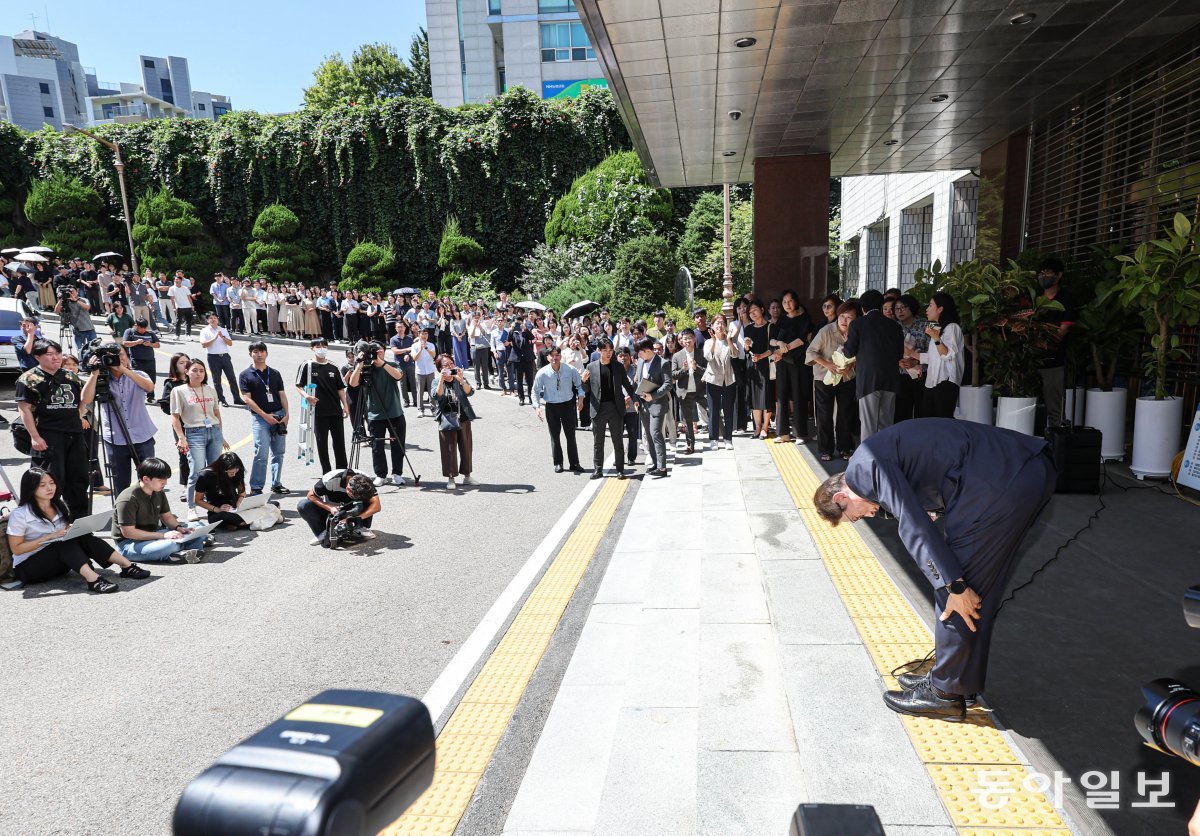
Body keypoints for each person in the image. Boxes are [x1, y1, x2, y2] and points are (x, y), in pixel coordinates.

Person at [813, 419, 1057, 721]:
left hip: (998, 484)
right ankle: (958, 680)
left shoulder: (865, 471)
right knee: (976, 590)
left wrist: (952, 585)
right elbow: (928, 471)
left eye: (856, 516)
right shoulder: (867, 459)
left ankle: (944, 694)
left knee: (956, 588)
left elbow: (912, 524)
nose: (867, 516)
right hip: (1020, 471)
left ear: (841, 498)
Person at [7, 467, 150, 593]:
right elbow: (17, 549)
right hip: (29, 569)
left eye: (52, 483)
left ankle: (127, 566)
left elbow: (63, 532)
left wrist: (73, 529)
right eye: (42, 485)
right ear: (31, 488)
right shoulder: (20, 514)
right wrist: (48, 537)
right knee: (60, 543)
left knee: (83, 536)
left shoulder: (58, 505)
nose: (50, 488)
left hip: (59, 565)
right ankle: (94, 580)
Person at [15, 339, 98, 517]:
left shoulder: (70, 376)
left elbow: (85, 400)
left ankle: (79, 522)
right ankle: (46, 521)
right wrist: (35, 437)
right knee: (48, 481)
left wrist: (94, 376)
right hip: (48, 436)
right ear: (37, 357)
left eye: (58, 353)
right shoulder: (28, 379)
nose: (56, 358)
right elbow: (24, 409)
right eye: (50, 354)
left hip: (74, 435)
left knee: (79, 479)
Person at [112, 457, 210, 564]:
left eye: (166, 479)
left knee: (198, 526)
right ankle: (188, 547)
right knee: (169, 545)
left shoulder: (158, 491)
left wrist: (179, 528)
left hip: (154, 534)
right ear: (145, 479)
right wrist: (163, 536)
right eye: (160, 480)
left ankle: (182, 550)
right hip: (130, 543)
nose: (165, 483)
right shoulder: (127, 499)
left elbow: (167, 516)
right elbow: (129, 533)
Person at [93, 346, 158, 495]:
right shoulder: (100, 379)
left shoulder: (138, 374)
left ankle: (152, 512)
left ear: (127, 356)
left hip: (142, 435)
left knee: (150, 480)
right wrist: (94, 373)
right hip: (115, 439)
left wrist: (124, 369)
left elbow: (149, 387)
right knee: (120, 483)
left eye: (120, 354)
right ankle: (123, 514)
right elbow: (86, 399)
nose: (118, 358)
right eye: (112, 356)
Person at [841, 288, 903, 442]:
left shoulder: (858, 324)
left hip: (868, 380)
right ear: (881, 305)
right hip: (890, 379)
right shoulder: (894, 326)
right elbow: (899, 355)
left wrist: (846, 342)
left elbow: (849, 352)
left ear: (862, 308)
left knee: (868, 425)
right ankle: (885, 459)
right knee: (886, 424)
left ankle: (867, 462)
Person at [171, 359, 230, 513]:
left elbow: (216, 413)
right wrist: (181, 438)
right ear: (187, 372)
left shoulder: (210, 389)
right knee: (196, 471)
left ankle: (213, 504)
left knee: (214, 471)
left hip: (214, 432)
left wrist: (221, 435)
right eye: (195, 370)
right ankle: (192, 507)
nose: (198, 373)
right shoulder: (179, 391)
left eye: (201, 371)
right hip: (194, 433)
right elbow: (175, 417)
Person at [348, 341, 408, 487]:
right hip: (375, 414)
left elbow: (398, 376)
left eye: (378, 350)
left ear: (384, 351)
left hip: (395, 412)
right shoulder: (366, 368)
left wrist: (380, 362)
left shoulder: (391, 365)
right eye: (373, 351)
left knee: (398, 445)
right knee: (377, 447)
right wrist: (360, 364)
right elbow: (353, 383)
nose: (376, 353)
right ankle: (381, 474)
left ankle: (397, 474)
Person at [807, 301, 859, 461]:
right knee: (824, 414)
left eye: (849, 317)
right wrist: (828, 364)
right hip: (824, 377)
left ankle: (845, 447)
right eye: (842, 316)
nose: (844, 320)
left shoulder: (857, 332)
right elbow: (811, 352)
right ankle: (825, 449)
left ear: (856, 319)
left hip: (847, 378)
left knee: (845, 413)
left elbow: (860, 353)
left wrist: (850, 367)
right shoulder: (826, 330)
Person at [238, 342, 291, 496]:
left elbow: (282, 394)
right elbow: (247, 399)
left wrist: (287, 414)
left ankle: (276, 483)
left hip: (279, 414)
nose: (259, 354)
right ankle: (256, 486)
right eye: (256, 351)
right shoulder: (245, 375)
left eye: (262, 351)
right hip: (260, 418)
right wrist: (264, 415)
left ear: (267, 353)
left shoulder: (274, 373)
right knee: (261, 452)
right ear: (250, 354)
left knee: (279, 452)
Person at [581, 338, 636, 479]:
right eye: (605, 350)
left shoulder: (617, 366)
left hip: (615, 407)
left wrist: (636, 399)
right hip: (598, 408)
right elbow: (585, 390)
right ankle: (598, 470)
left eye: (610, 350)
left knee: (617, 440)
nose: (608, 353)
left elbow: (627, 385)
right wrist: (583, 381)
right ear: (599, 351)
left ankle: (620, 470)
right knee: (598, 442)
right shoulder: (591, 367)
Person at [296, 338, 351, 472]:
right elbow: (299, 386)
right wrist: (307, 397)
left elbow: (340, 388)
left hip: (335, 411)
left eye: (324, 346)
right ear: (312, 348)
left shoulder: (333, 366)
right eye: (318, 346)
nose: (321, 348)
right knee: (322, 444)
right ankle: (327, 472)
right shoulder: (307, 365)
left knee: (339, 443)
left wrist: (345, 405)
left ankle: (342, 471)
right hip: (317, 412)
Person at [1034, 257, 1077, 429]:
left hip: (1053, 361)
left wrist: (1042, 339)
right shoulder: (1034, 300)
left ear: (1059, 275)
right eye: (1041, 274)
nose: (1044, 277)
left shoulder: (1067, 299)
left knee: (1054, 406)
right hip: (1031, 360)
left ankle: (1056, 442)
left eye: (1048, 273)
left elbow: (1063, 330)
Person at [532, 345, 586, 474]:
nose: (555, 358)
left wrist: (581, 399)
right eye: (552, 355)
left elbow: (580, 385)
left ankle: (574, 463)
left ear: (561, 356)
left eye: (557, 355)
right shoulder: (542, 373)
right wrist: (537, 407)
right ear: (548, 357)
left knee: (571, 436)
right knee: (555, 437)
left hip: (568, 406)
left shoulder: (570, 369)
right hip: (552, 407)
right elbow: (535, 391)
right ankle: (558, 463)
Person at [297, 469, 382, 549]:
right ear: (348, 489)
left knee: (370, 499)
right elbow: (310, 495)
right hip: (333, 509)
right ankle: (322, 532)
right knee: (303, 505)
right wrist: (329, 507)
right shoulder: (330, 479)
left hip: (355, 510)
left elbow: (377, 506)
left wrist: (357, 518)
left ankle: (359, 526)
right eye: (355, 496)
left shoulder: (366, 481)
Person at [914, 293, 965, 420]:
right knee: (928, 420)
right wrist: (910, 354)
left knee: (943, 421)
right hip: (931, 382)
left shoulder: (952, 327)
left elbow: (946, 354)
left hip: (946, 381)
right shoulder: (937, 328)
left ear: (940, 309)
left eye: (930, 305)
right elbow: (932, 357)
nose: (926, 309)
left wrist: (936, 337)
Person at [432, 353, 478, 491]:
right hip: (447, 419)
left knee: (466, 448)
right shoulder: (436, 381)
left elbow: (470, 392)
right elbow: (437, 395)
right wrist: (441, 379)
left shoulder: (459, 378)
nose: (449, 367)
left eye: (451, 364)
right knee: (448, 450)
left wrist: (462, 380)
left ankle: (467, 476)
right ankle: (451, 477)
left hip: (463, 416)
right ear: (440, 368)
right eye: (445, 365)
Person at [772, 289, 812, 444]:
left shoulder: (805, 318)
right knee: (781, 396)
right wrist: (778, 344)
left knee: (798, 396)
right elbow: (772, 339)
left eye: (790, 301)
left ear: (796, 301)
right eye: (784, 302)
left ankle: (800, 433)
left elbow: (802, 339)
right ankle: (783, 433)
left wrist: (782, 350)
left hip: (798, 363)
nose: (787, 304)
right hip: (782, 363)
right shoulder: (781, 320)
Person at [634, 336, 671, 477]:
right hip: (643, 405)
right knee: (649, 435)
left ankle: (662, 467)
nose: (638, 355)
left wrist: (653, 395)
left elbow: (668, 384)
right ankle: (655, 463)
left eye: (640, 352)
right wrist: (637, 399)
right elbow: (638, 382)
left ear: (648, 350)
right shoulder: (641, 363)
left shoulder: (663, 363)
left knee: (656, 433)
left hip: (657, 404)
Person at [702, 314, 738, 450]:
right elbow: (708, 357)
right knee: (713, 410)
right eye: (717, 323)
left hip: (728, 379)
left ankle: (728, 439)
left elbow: (735, 354)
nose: (720, 325)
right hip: (712, 379)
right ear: (712, 326)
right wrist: (714, 342)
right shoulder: (708, 342)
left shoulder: (730, 340)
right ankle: (713, 439)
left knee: (728, 410)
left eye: (722, 323)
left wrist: (729, 340)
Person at [162, 352, 193, 503]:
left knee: (202, 454)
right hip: (181, 425)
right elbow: (166, 406)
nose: (185, 365)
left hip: (198, 423)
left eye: (187, 362)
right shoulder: (171, 383)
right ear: (175, 365)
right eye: (181, 363)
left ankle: (202, 486)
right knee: (184, 455)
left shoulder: (196, 379)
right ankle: (186, 485)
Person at [742, 298, 775, 439]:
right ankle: (757, 427)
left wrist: (760, 356)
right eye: (750, 312)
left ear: (762, 310)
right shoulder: (748, 328)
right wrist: (747, 345)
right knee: (755, 398)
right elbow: (746, 350)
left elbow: (772, 349)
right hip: (753, 366)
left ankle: (765, 427)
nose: (752, 313)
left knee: (766, 397)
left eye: (755, 310)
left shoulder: (770, 327)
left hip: (765, 365)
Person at [893, 294, 929, 422]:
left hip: (921, 373)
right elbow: (888, 351)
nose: (900, 311)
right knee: (901, 410)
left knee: (921, 409)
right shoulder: (893, 326)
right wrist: (898, 362)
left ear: (912, 307)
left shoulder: (925, 324)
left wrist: (915, 360)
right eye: (897, 308)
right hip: (900, 374)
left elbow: (933, 351)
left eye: (903, 307)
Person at [670, 329, 706, 455]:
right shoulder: (677, 356)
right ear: (681, 341)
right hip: (684, 392)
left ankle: (718, 438)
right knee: (688, 421)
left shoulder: (701, 353)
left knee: (713, 412)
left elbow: (707, 372)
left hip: (701, 390)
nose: (688, 341)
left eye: (690, 338)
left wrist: (696, 368)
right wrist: (684, 370)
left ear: (694, 339)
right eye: (685, 339)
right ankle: (690, 444)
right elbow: (673, 375)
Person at [193, 452, 251, 530]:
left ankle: (237, 523)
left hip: (235, 507)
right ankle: (245, 521)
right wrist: (217, 509)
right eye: (231, 473)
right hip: (217, 511)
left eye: (236, 471)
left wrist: (239, 502)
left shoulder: (238, 471)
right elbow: (197, 500)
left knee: (260, 504)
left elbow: (242, 493)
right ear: (222, 470)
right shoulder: (206, 476)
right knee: (223, 516)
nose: (234, 474)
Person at [197, 312, 243, 407]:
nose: (213, 319)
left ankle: (237, 398)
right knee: (217, 380)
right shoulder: (204, 331)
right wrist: (214, 338)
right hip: (213, 357)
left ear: (217, 319)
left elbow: (230, 343)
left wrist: (222, 336)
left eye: (214, 318)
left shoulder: (223, 330)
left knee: (232, 378)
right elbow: (203, 344)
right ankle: (221, 399)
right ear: (207, 320)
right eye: (210, 318)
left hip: (225, 356)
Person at [121, 318, 160, 404]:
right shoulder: (130, 332)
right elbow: (125, 343)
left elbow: (157, 344)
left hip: (150, 360)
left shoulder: (150, 333)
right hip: (137, 360)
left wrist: (150, 344)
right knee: (138, 379)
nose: (143, 330)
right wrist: (137, 342)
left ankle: (150, 397)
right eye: (140, 328)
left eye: (144, 328)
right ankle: (138, 396)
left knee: (151, 379)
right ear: (136, 326)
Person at [54, 286, 97, 352]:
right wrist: (60, 299)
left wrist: (76, 300)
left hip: (90, 329)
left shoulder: (83, 299)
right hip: (78, 331)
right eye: (70, 292)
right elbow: (56, 312)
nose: (71, 293)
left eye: (73, 291)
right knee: (80, 351)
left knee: (94, 350)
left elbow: (88, 307)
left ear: (77, 292)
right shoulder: (66, 302)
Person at [388, 321, 418, 408]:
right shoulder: (393, 339)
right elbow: (395, 351)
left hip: (410, 363)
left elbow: (413, 350)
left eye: (402, 327)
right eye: (398, 327)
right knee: (402, 384)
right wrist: (407, 350)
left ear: (405, 328)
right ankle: (406, 401)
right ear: (396, 328)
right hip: (399, 364)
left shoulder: (409, 338)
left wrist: (408, 355)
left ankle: (416, 400)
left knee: (413, 383)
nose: (400, 329)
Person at [410, 328, 437, 416]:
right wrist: (421, 349)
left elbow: (434, 355)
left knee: (431, 391)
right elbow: (414, 358)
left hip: (430, 370)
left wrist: (426, 348)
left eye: (426, 334)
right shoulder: (414, 346)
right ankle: (421, 410)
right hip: (420, 371)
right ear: (419, 335)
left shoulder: (431, 345)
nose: (424, 335)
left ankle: (433, 409)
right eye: (422, 334)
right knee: (420, 391)